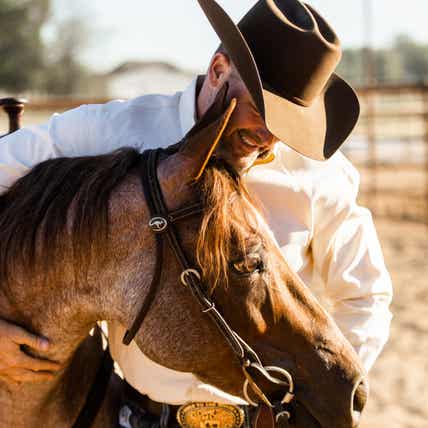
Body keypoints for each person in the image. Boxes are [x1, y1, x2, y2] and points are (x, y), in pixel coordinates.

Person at [0, 0, 392, 422]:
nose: (268, 138)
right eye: (261, 111)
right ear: (219, 69)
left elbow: (366, 295)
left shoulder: (320, 176)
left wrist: (316, 397)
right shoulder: (113, 132)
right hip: (137, 415)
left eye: (287, 124)